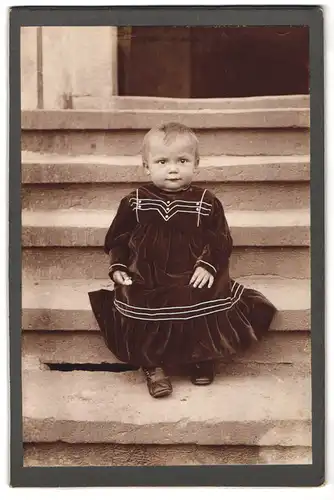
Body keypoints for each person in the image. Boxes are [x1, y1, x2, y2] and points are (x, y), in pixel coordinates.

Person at [88, 122, 277, 399]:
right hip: (147, 274)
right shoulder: (134, 202)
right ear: (146, 166)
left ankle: (201, 356)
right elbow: (118, 239)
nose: (173, 168)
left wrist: (207, 264)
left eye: (182, 160)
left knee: (201, 293)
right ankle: (152, 366)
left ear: (196, 165)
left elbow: (219, 239)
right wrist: (118, 265)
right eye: (162, 161)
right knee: (137, 297)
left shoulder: (207, 201)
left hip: (191, 271)